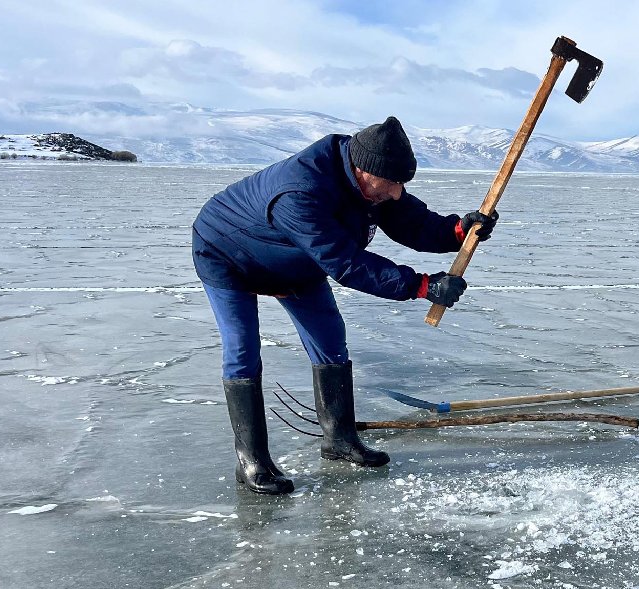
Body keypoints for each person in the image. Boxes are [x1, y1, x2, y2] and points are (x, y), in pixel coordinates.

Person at [192, 116, 497, 495]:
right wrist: (421, 286)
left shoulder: (373, 181)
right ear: (362, 171)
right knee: (243, 350)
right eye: (393, 184)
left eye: (402, 183)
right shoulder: (300, 193)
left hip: (295, 261)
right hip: (228, 256)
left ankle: (339, 440)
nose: (398, 192)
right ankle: (252, 461)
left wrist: (457, 231)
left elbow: (411, 221)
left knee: (330, 341)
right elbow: (346, 263)